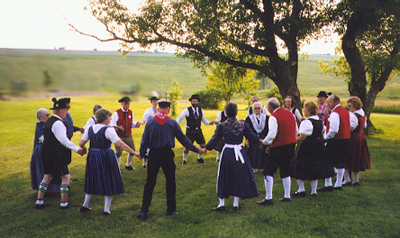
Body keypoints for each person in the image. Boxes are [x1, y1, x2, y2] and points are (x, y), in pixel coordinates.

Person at [137, 101, 206, 220]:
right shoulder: (172, 122)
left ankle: (144, 211)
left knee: (150, 183)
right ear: (168, 109)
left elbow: (145, 139)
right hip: (167, 154)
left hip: (154, 154)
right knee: (170, 182)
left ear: (158, 109)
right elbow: (183, 139)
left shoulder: (150, 122)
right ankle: (171, 210)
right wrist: (196, 150)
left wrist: (142, 152)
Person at [79, 109, 141, 215]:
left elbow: (81, 143)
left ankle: (85, 205)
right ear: (105, 118)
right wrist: (134, 152)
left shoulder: (90, 128)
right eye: (109, 117)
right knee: (109, 179)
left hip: (93, 155)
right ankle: (106, 209)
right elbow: (120, 144)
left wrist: (84, 148)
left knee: (92, 177)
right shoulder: (108, 130)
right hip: (105, 155)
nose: (111, 119)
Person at [206, 102, 260, 211]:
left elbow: (214, 139)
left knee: (224, 175)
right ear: (236, 112)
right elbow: (253, 137)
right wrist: (261, 142)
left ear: (225, 112)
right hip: (240, 151)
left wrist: (206, 148)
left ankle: (222, 203)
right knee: (238, 175)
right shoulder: (243, 124)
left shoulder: (222, 126)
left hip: (227, 152)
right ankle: (235, 203)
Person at [34, 98, 86, 210]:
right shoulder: (58, 123)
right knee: (66, 177)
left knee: (47, 176)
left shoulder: (48, 121)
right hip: (56, 155)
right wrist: (78, 150)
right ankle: (64, 204)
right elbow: (63, 139)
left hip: (46, 153)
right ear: (61, 111)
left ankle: (39, 202)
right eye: (66, 111)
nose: (66, 113)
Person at [257, 97, 298, 206]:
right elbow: (296, 131)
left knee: (268, 171)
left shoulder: (273, 117)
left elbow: (272, 134)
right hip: (291, 145)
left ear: (270, 107)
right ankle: (287, 196)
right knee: (285, 170)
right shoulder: (291, 114)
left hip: (279, 146)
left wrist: (264, 142)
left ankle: (269, 197)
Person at [292, 101, 335, 198]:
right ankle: (313, 191)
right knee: (314, 167)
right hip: (318, 146)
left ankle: (301, 189)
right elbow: (323, 132)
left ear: (307, 111)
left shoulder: (307, 122)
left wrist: (292, 141)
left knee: (298, 165)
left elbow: (302, 136)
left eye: (304, 109)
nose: (304, 111)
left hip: (307, 146)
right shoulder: (319, 121)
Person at [318, 94, 351, 192]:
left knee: (327, 161)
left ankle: (328, 184)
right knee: (341, 162)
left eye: (330, 102)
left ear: (336, 102)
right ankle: (338, 184)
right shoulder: (345, 111)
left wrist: (325, 138)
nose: (328, 103)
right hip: (345, 139)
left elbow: (333, 130)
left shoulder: (335, 113)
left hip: (335, 140)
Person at [176, 94, 215, 164]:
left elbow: (204, 120)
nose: (195, 103)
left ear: (198, 102)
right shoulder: (187, 110)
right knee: (187, 146)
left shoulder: (201, 110)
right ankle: (184, 160)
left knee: (203, 145)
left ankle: (199, 158)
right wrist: (176, 124)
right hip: (190, 131)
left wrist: (209, 123)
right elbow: (179, 117)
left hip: (198, 131)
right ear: (191, 102)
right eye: (193, 101)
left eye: (196, 101)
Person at [342, 96, 371, 186]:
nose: (348, 107)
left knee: (347, 156)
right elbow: (364, 126)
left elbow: (351, 128)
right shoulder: (362, 114)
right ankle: (355, 179)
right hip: (361, 136)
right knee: (357, 157)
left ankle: (347, 179)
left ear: (354, 106)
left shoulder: (353, 115)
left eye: (350, 106)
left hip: (353, 137)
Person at [30, 108, 61, 191]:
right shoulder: (40, 126)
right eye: (46, 115)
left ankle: (50, 188)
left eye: (49, 114)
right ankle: (45, 189)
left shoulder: (45, 125)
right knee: (44, 170)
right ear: (40, 117)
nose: (48, 116)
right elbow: (43, 138)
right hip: (41, 150)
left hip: (45, 148)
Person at [110, 96, 141, 170]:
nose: (127, 105)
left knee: (132, 150)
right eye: (125, 104)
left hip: (128, 134)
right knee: (118, 152)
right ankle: (117, 168)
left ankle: (128, 165)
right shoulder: (117, 113)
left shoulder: (130, 112)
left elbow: (132, 122)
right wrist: (117, 127)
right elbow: (111, 124)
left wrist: (136, 124)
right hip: (119, 135)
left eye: (128, 104)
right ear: (121, 104)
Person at [245, 101, 269, 173]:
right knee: (253, 152)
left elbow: (268, 128)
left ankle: (263, 166)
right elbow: (246, 129)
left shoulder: (266, 117)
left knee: (263, 151)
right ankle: (253, 167)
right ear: (253, 109)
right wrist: (247, 139)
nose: (257, 110)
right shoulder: (249, 118)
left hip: (263, 137)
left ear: (261, 109)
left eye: (259, 108)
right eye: (255, 108)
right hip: (253, 137)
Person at [140, 93, 160, 168]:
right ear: (151, 102)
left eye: (156, 101)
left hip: (158, 131)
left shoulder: (159, 110)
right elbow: (144, 121)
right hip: (150, 131)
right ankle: (144, 162)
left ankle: (156, 160)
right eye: (154, 101)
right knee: (148, 145)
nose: (155, 103)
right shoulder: (148, 111)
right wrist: (140, 123)